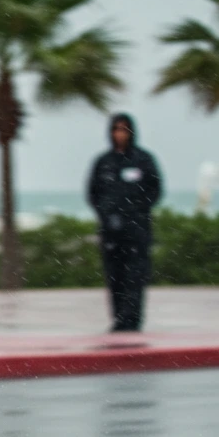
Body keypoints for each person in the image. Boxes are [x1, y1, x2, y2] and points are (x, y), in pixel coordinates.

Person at [87, 113, 163, 332]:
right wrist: (106, 215)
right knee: (115, 276)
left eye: (123, 129)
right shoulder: (103, 162)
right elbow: (93, 193)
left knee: (135, 275)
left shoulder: (143, 160)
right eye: (116, 129)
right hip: (111, 231)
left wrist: (137, 212)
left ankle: (133, 319)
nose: (119, 134)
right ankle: (119, 318)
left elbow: (155, 190)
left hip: (137, 230)